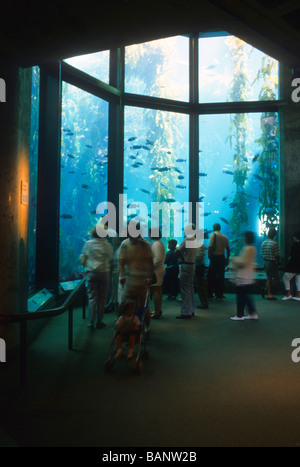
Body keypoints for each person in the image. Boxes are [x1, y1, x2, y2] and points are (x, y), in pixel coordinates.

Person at [118, 222, 154, 330]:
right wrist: (122, 275)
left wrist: (149, 277)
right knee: (126, 306)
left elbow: (150, 263)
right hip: (129, 281)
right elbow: (121, 262)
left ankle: (144, 328)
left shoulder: (145, 244)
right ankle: (125, 327)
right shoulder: (124, 244)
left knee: (142, 307)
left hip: (142, 282)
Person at [79, 225, 114, 330]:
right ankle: (100, 321)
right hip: (104, 273)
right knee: (102, 298)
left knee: (92, 297)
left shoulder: (88, 244)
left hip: (91, 273)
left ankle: (91, 322)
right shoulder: (107, 245)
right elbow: (111, 258)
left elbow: (83, 257)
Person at [230, 231, 258, 321]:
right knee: (246, 296)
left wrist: (233, 259)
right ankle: (252, 313)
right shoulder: (253, 248)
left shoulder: (246, 249)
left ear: (246, 238)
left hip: (243, 276)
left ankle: (240, 315)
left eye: (243, 237)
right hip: (249, 276)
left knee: (241, 297)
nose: (242, 239)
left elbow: (242, 263)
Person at [175, 224, 197, 319]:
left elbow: (177, 251)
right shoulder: (194, 239)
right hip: (192, 265)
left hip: (186, 265)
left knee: (185, 290)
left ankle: (186, 312)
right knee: (190, 289)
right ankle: (191, 310)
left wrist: (182, 258)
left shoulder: (187, 239)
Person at [207, 223, 230, 301]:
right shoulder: (224, 237)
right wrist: (227, 259)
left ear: (213, 228)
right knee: (221, 277)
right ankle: (219, 295)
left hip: (214, 258)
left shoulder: (213, 235)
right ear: (219, 228)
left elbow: (210, 247)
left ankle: (210, 294)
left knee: (211, 276)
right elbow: (228, 249)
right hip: (222, 257)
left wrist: (209, 256)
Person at [149, 229, 166, 319]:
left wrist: (151, 267)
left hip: (156, 270)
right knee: (158, 289)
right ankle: (158, 310)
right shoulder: (159, 243)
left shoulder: (156, 244)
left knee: (155, 289)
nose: (148, 234)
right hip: (159, 269)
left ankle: (157, 311)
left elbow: (158, 259)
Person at [260, 228, 280, 300]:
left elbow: (261, 254)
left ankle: (267, 292)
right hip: (272, 262)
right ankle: (267, 292)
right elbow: (277, 255)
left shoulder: (263, 242)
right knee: (277, 279)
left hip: (265, 262)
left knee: (269, 278)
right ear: (275, 235)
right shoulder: (275, 243)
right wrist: (278, 262)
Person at [282, 231, 300, 301]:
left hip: (293, 266)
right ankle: (299, 296)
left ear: (295, 237)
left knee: (285, 278)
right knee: (298, 280)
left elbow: (291, 256)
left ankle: (288, 294)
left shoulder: (295, 245)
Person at [194, 243, 209, 309]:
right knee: (197, 284)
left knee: (200, 285)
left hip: (198, 266)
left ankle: (204, 303)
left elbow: (198, 256)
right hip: (199, 266)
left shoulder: (197, 243)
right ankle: (204, 303)